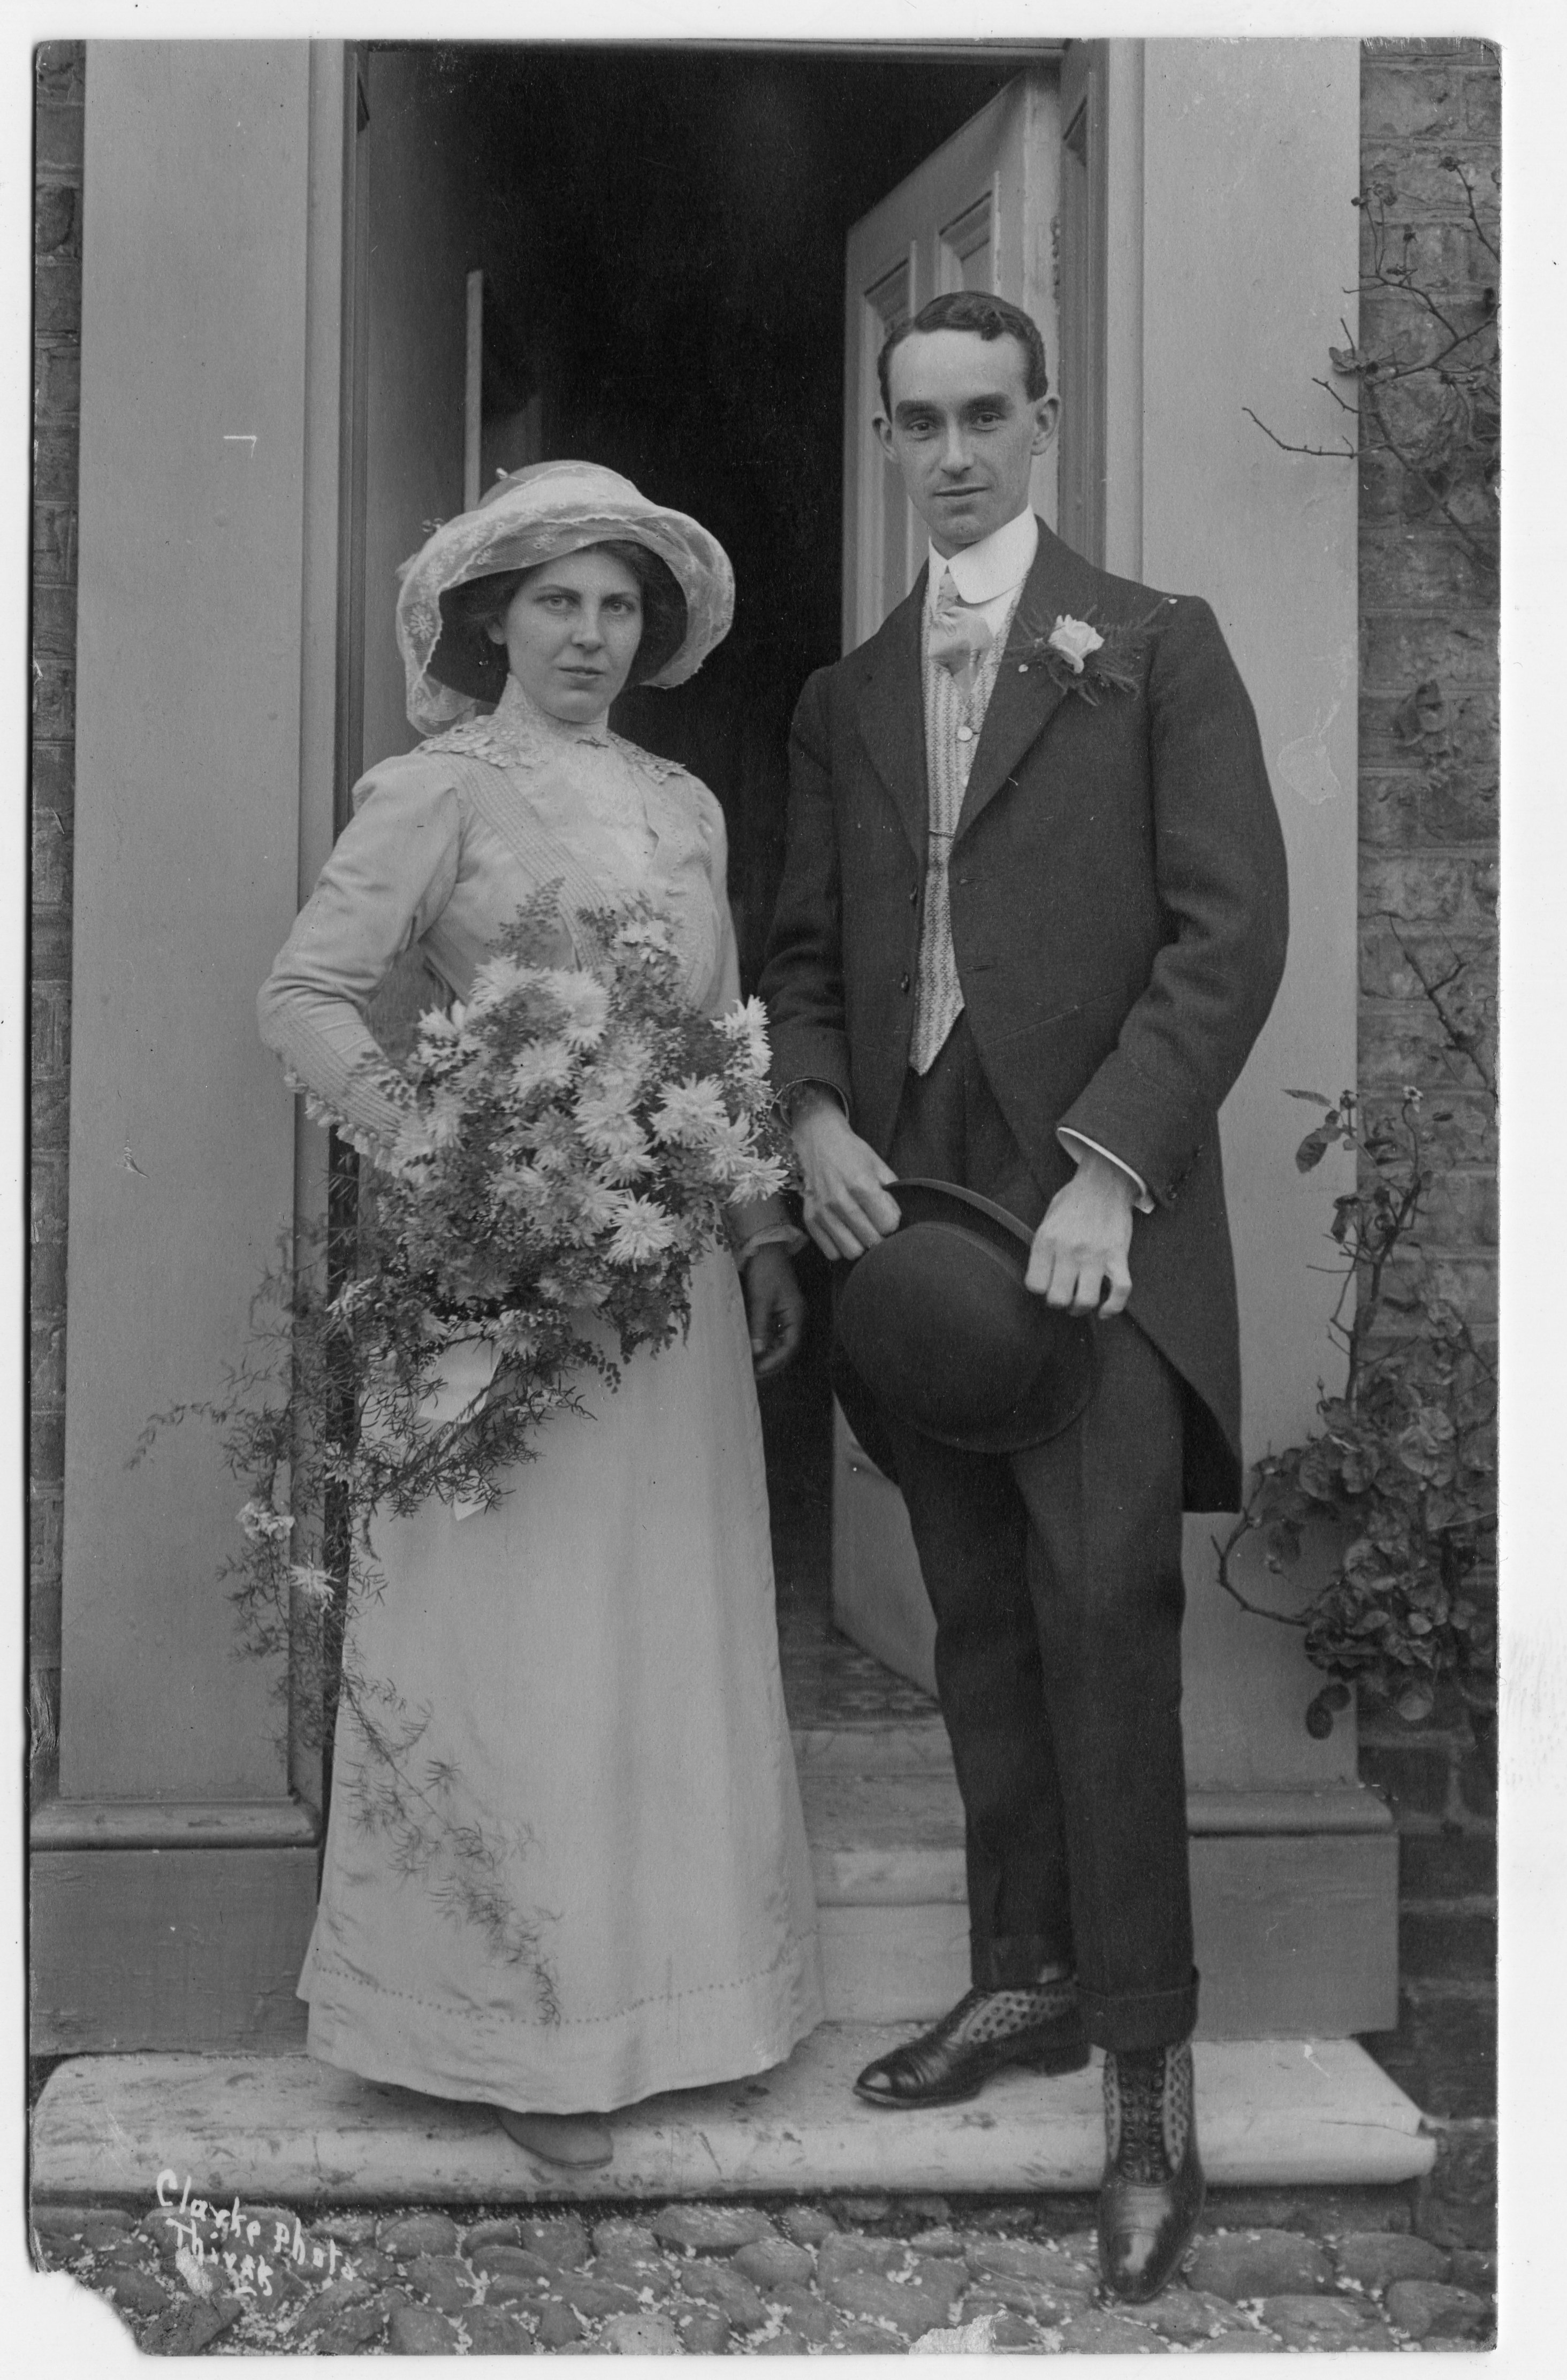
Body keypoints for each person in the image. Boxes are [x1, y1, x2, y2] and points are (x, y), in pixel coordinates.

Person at [758, 291, 1289, 2299]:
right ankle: (1027, 1978)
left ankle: (1149, 2080)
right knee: (975, 1616)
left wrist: (1111, 1166)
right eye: (923, 422)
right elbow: (805, 953)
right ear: (888, 439)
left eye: (989, 415)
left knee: (1102, 1620)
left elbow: (1230, 934)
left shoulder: (1154, 644)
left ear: (1043, 421)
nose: (957, 453)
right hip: (907, 1217)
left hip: (1093, 1223)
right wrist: (815, 1113)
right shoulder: (845, 697)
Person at [259, 460, 823, 2171]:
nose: (590, 634)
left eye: (618, 606)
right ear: (494, 621)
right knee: (522, 1641)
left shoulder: (683, 803)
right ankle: (513, 2039)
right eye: (558, 603)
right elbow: (306, 995)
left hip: (665, 1286)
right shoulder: (436, 790)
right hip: (501, 1280)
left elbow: (719, 1033)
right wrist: (460, 1159)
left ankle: (680, 2008)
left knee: (654, 1628)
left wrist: (757, 1227)